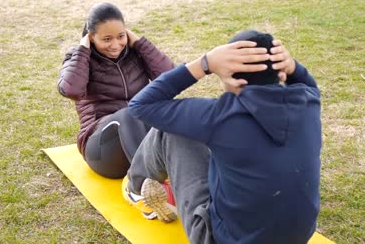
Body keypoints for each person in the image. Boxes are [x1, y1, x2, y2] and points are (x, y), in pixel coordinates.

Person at [123, 30, 322, 244]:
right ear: (281, 69)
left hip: (221, 239)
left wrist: (205, 63)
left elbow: (141, 105)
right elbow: (309, 84)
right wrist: (292, 67)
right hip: (297, 239)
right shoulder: (308, 103)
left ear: (229, 74)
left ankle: (135, 189)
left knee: (170, 130)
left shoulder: (219, 115)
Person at [57, 2, 174, 180]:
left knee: (173, 110)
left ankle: (182, 175)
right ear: (91, 37)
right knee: (128, 114)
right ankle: (142, 183)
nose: (115, 44)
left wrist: (141, 44)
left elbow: (171, 78)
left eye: (121, 36)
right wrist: (83, 50)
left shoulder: (135, 52)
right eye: (106, 39)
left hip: (143, 144)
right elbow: (71, 90)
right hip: (103, 152)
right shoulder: (79, 57)